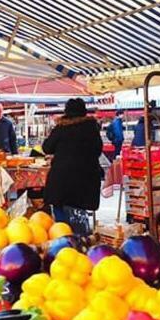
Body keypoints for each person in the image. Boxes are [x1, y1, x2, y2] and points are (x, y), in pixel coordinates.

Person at [42, 98, 103, 234]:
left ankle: (64, 237)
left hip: (62, 178)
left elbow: (47, 147)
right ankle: (81, 238)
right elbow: (98, 150)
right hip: (86, 178)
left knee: (61, 216)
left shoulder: (61, 127)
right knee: (80, 211)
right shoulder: (91, 128)